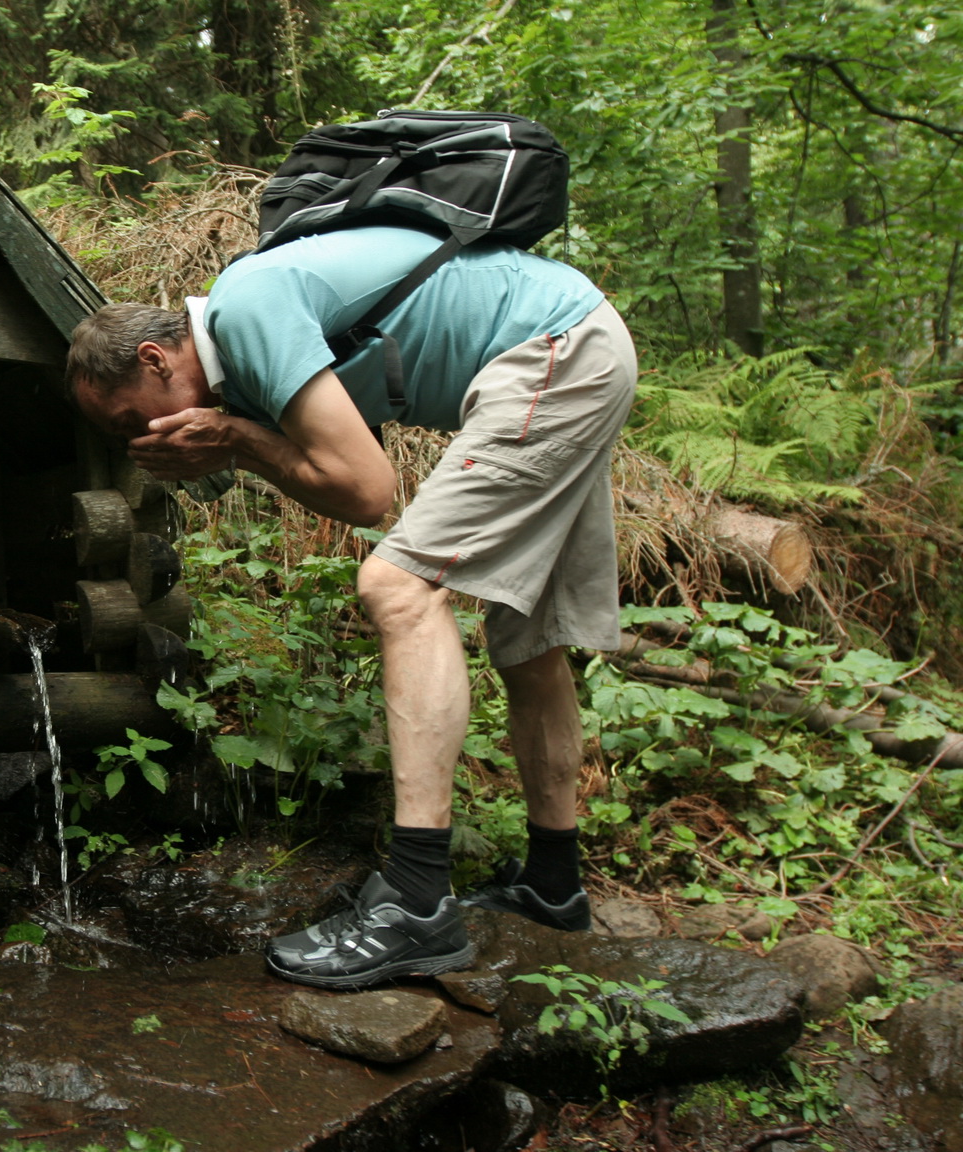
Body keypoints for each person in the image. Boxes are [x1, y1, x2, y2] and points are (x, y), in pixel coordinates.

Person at [64, 222, 638, 991]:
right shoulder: (247, 352)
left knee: (396, 588)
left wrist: (237, 439)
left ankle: (417, 903)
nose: (140, 437)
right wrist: (239, 441)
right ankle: (554, 887)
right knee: (529, 638)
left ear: (154, 359)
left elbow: (369, 490)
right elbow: (345, 492)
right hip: (577, 343)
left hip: (554, 350)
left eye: (129, 419)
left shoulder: (246, 308)